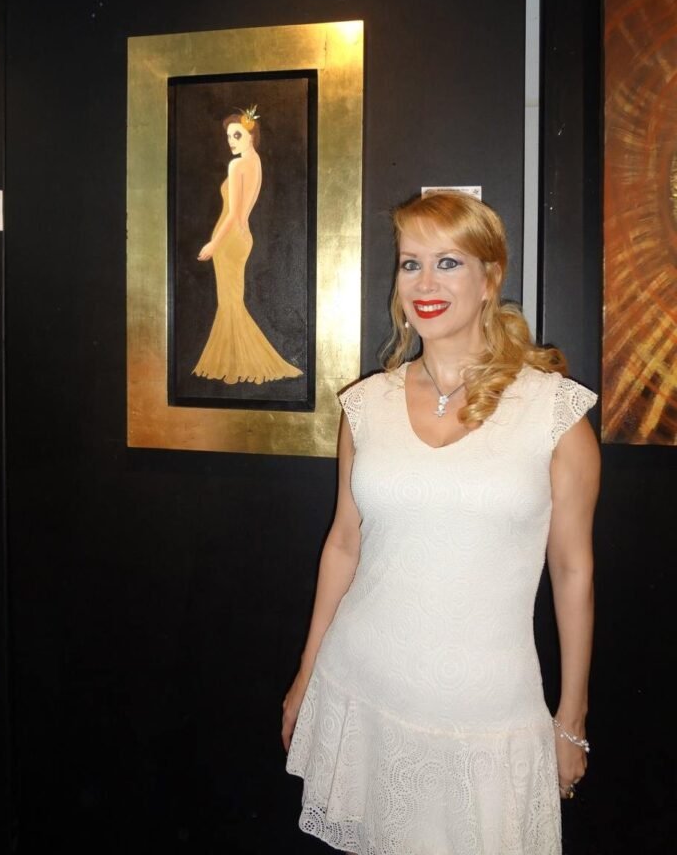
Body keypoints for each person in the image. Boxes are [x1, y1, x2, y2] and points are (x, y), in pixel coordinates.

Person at [283, 190, 599, 855]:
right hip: (363, 687)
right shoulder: (366, 404)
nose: (425, 284)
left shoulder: (554, 413)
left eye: (448, 263)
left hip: (486, 710)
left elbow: (573, 570)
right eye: (411, 264)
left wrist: (571, 716)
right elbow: (344, 545)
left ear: (490, 278)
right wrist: (306, 674)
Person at [193, 105, 302, 384]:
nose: (231, 141)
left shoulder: (237, 165)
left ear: (252, 136)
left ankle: (238, 364)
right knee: (231, 302)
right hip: (243, 237)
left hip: (229, 239)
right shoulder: (255, 162)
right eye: (229, 136)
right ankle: (235, 361)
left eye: (237, 135)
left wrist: (213, 243)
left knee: (229, 303)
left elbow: (233, 214)